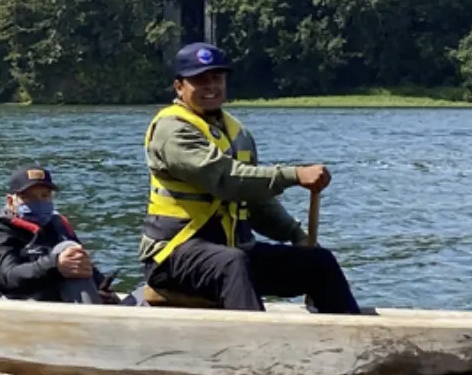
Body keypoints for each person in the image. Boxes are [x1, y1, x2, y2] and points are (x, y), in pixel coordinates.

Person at [140, 43, 361, 313]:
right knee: (232, 263)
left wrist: (296, 235)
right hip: (173, 257)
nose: (211, 86)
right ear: (179, 87)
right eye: (200, 80)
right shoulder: (172, 130)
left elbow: (254, 200)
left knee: (318, 262)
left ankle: (353, 340)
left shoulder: (236, 132)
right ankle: (255, 348)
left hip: (233, 253)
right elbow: (226, 180)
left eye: (217, 78)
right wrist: (294, 175)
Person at [0, 166, 116, 304]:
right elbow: (9, 277)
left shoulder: (57, 225)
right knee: (66, 248)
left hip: (56, 298)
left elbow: (81, 264)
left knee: (71, 249)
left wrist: (102, 286)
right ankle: (92, 317)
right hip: (15, 303)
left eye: (45, 196)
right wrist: (56, 264)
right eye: (29, 197)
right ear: (11, 201)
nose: (39, 202)